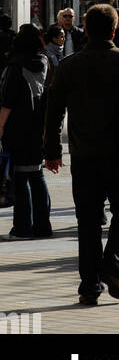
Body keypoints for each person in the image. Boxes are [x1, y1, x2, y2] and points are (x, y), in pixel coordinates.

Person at [44, 4, 119, 305]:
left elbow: (53, 114)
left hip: (85, 159)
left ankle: (89, 286)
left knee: (88, 221)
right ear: (116, 30)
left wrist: (52, 151)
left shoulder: (68, 65)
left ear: (86, 30)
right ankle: (112, 265)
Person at [0, 24, 53, 240]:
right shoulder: (44, 62)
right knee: (37, 174)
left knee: (21, 178)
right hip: (39, 126)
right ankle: (43, 226)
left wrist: (1, 127)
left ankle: (22, 228)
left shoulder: (15, 66)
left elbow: (8, 103)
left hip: (18, 127)